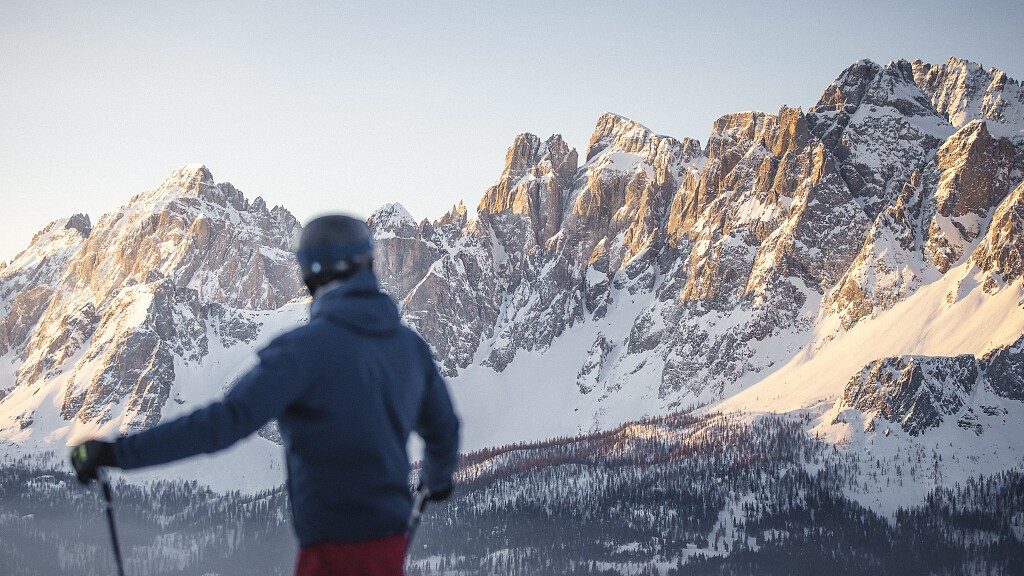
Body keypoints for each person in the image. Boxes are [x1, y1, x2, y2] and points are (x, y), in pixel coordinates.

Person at [70, 214, 460, 576]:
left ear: (310, 277)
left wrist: (117, 453)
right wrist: (435, 481)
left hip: (330, 549)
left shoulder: (302, 351)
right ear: (368, 266)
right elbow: (443, 429)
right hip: (390, 542)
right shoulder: (410, 348)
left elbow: (224, 424)